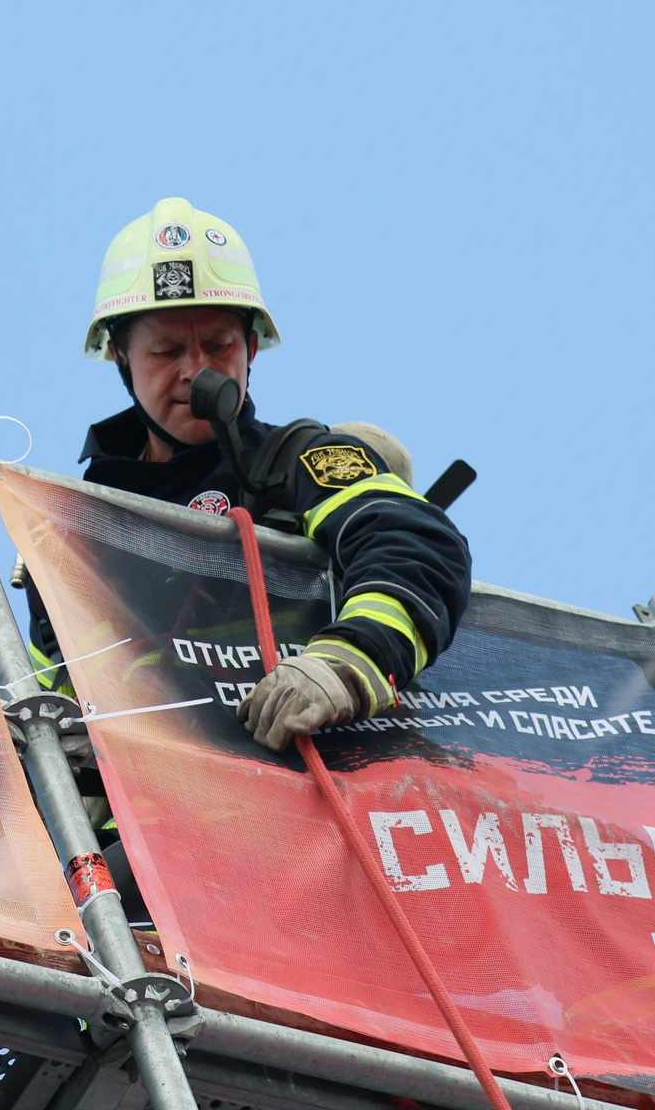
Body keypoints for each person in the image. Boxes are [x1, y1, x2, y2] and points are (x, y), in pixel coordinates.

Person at [30, 196, 472, 753]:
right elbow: (47, 690)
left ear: (252, 348)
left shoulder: (297, 462)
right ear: (120, 356)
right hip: (140, 827)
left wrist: (349, 662)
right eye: (165, 350)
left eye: (219, 345)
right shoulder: (79, 529)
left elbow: (415, 545)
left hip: (287, 802)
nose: (196, 370)